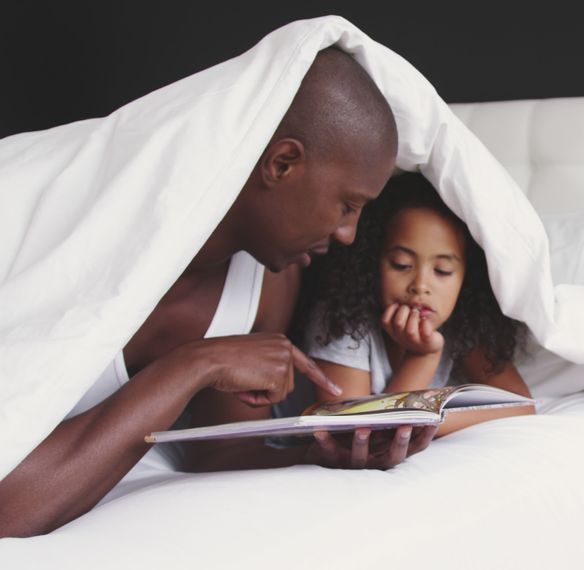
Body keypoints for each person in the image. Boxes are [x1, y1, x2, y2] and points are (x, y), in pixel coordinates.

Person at [0, 48, 436, 539]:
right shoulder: (76, 238)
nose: (348, 234)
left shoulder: (270, 280)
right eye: (348, 204)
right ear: (283, 163)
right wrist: (197, 364)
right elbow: (8, 510)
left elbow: (217, 451)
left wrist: (319, 456)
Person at [297, 173, 534, 435]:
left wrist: (426, 421)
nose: (420, 285)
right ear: (371, 264)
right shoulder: (341, 320)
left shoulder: (465, 324)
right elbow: (356, 435)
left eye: (442, 270)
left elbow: (521, 406)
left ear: (467, 279)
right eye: (402, 265)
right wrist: (423, 357)